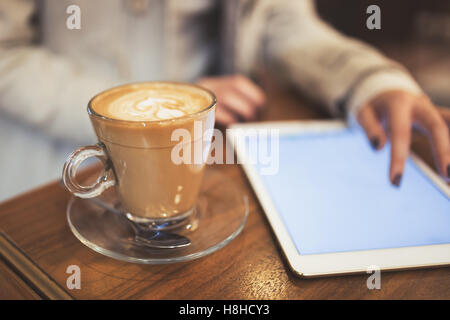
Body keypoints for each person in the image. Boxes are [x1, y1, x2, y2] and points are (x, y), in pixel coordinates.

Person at [0, 0, 449, 201]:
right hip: (57, 167)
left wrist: (369, 77)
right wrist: (163, 100)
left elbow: (283, 18)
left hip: (217, 155)